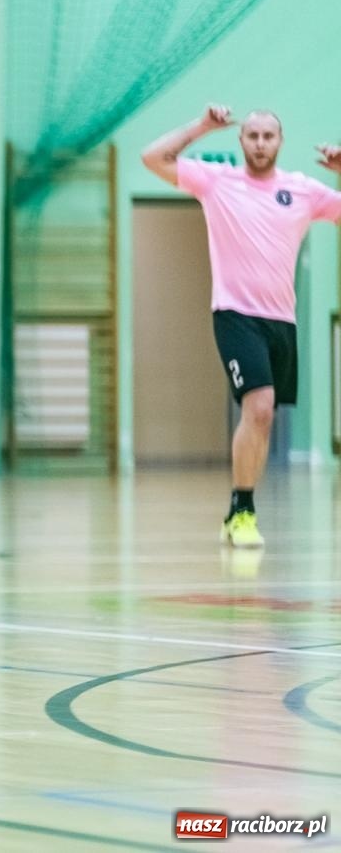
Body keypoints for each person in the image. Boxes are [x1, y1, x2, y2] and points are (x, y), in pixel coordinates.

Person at [142, 103, 341, 548]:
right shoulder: (218, 181)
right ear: (241, 140)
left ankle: (237, 511)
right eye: (252, 135)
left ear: (280, 141)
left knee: (263, 418)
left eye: (268, 136)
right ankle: (245, 511)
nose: (260, 143)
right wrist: (201, 126)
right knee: (260, 407)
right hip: (235, 314)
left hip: (281, 320)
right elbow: (152, 158)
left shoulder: (303, 190)